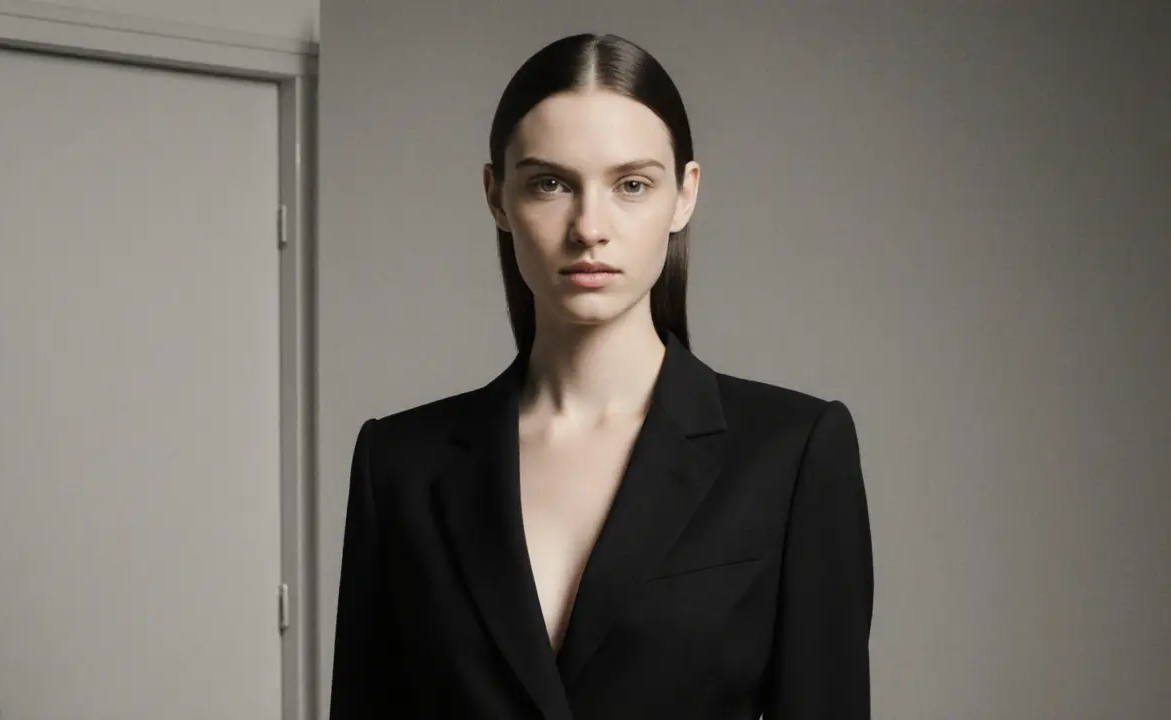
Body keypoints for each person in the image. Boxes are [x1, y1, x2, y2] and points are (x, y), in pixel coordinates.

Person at [328, 32, 874, 720]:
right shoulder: (399, 465)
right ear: (498, 197)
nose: (590, 226)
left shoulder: (791, 453)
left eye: (632, 185)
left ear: (684, 195)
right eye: (550, 183)